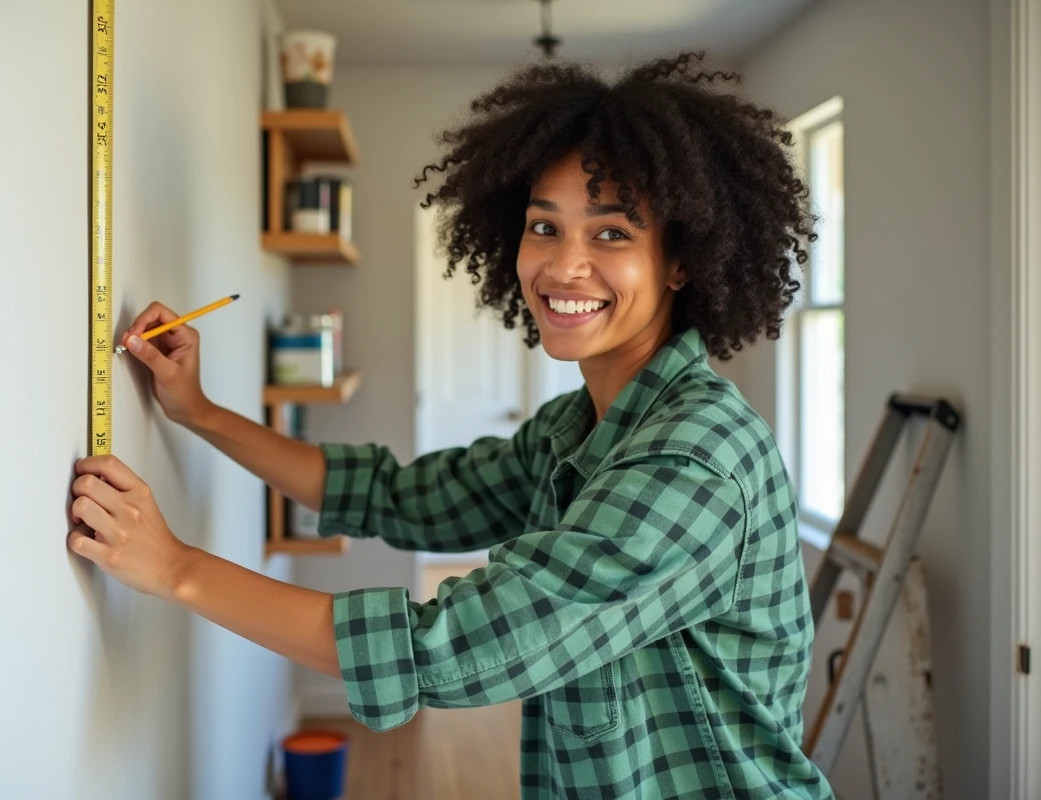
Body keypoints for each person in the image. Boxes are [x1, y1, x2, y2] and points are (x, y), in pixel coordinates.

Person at [67, 51, 834, 799]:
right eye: (544, 227)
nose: (564, 267)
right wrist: (199, 412)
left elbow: (452, 648)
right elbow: (398, 496)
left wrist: (174, 569)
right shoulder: (580, 428)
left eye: (611, 234)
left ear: (681, 262)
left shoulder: (692, 462)